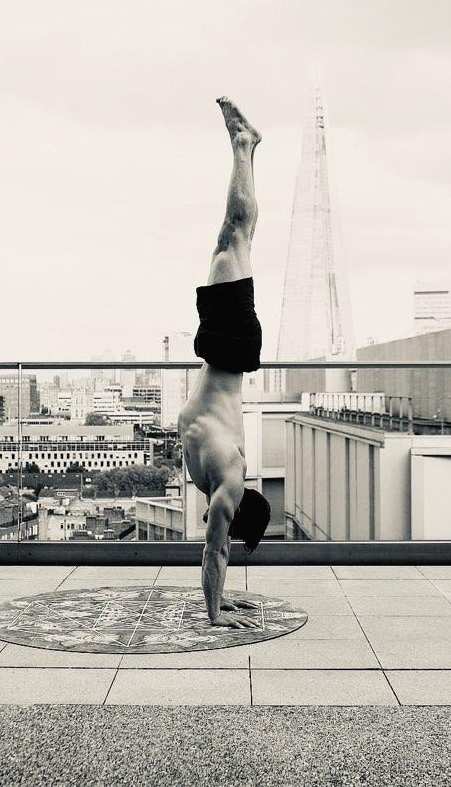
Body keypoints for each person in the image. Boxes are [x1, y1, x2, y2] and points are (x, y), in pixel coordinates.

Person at [177, 96, 272, 628]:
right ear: (239, 503)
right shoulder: (225, 476)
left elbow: (217, 549)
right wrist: (214, 613)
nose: (223, 524)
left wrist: (218, 605)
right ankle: (243, 146)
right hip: (230, 348)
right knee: (234, 234)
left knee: (233, 238)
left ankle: (246, 148)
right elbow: (216, 549)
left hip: (224, 350)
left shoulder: (217, 478)